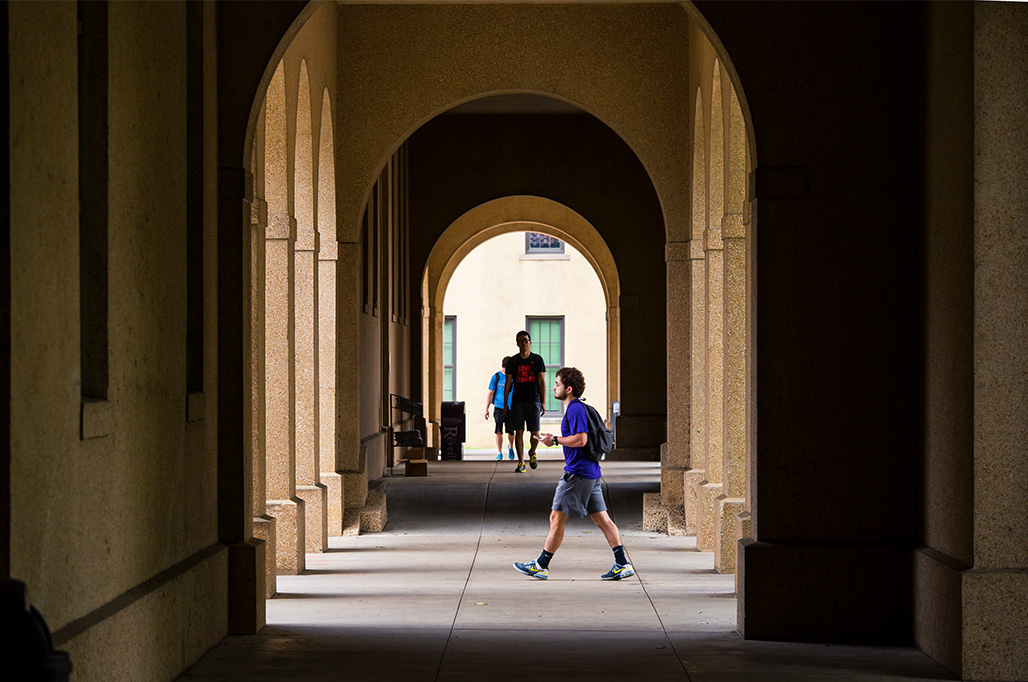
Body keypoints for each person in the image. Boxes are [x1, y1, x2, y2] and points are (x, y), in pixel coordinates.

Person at [513, 367, 634, 581]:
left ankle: (541, 565)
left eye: (557, 384)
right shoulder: (576, 409)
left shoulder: (575, 409)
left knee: (556, 516)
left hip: (578, 473)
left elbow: (581, 439)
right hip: (590, 473)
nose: (553, 387)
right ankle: (622, 563)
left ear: (568, 389)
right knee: (602, 519)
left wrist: (555, 440)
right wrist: (555, 438)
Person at [501, 330, 547, 473]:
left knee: (535, 433)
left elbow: (541, 382)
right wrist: (505, 404)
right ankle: (521, 462)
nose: (524, 343)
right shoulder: (513, 362)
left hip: (533, 400)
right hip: (518, 402)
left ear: (530, 343)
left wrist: (543, 402)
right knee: (518, 432)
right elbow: (508, 384)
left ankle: (532, 452)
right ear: (517, 343)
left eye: (526, 340)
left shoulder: (537, 360)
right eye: (521, 341)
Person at [485, 357, 516, 460]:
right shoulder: (496, 377)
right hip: (498, 407)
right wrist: (487, 409)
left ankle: (511, 447)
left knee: (511, 431)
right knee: (498, 430)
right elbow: (490, 393)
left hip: (511, 408)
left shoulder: (514, 377)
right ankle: (499, 453)